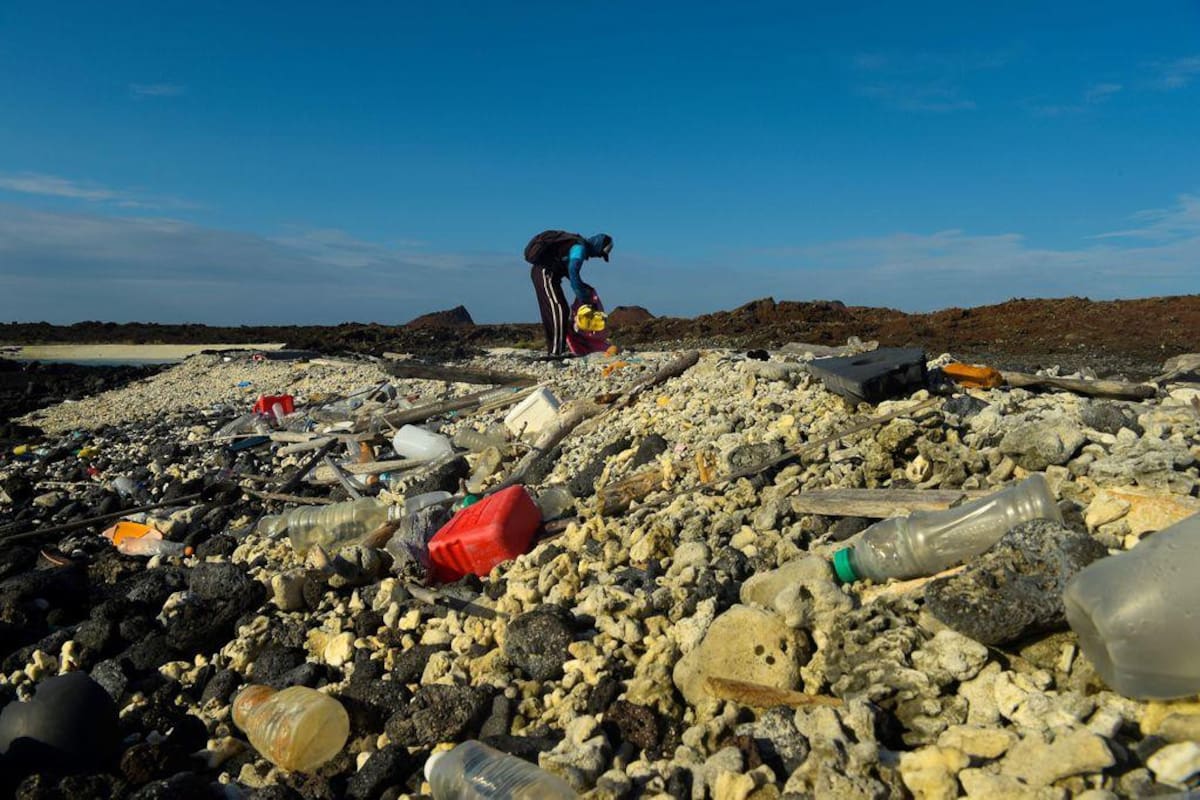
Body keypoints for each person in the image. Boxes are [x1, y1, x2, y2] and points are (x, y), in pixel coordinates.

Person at [524, 230, 613, 356]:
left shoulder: (576, 246)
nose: (597, 257)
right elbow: (573, 273)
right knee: (559, 310)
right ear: (597, 246)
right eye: (600, 254)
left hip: (547, 274)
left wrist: (583, 287)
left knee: (559, 310)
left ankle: (556, 350)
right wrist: (585, 298)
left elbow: (568, 272)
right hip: (545, 273)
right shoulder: (579, 249)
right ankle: (555, 352)